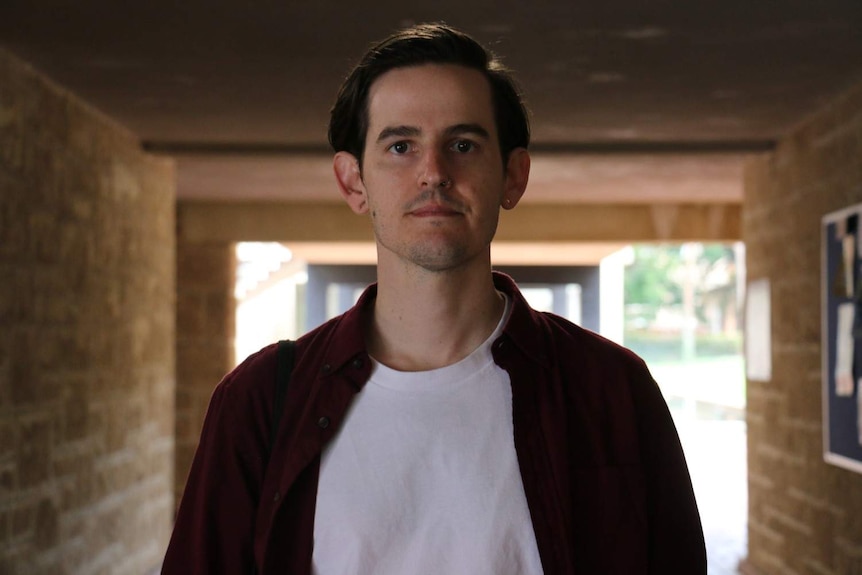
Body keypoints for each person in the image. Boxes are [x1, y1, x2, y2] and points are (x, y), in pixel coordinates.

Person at [162, 22, 706, 574]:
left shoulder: (612, 389)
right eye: (401, 146)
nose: (434, 173)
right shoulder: (259, 404)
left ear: (513, 176)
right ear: (353, 182)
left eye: (463, 145)